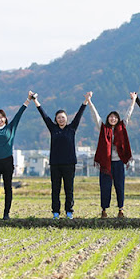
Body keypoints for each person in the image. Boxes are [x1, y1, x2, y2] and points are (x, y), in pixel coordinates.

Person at [33, 90, 89, 219]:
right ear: (56, 120)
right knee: (55, 189)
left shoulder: (72, 128)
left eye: (63, 117)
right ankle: (56, 212)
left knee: (69, 189)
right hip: (55, 164)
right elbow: (44, 115)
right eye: (58, 117)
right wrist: (35, 100)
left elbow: (80, 114)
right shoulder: (53, 129)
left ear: (66, 118)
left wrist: (86, 100)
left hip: (69, 163)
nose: (61, 119)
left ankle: (69, 211)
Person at [87, 91, 136, 218]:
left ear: (118, 119)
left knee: (120, 186)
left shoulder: (122, 127)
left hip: (118, 162)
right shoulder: (103, 129)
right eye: (111, 117)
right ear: (108, 118)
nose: (113, 118)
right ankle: (104, 210)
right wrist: (89, 101)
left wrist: (133, 101)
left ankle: (121, 209)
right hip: (106, 163)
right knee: (105, 187)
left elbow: (128, 114)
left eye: (115, 117)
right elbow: (95, 116)